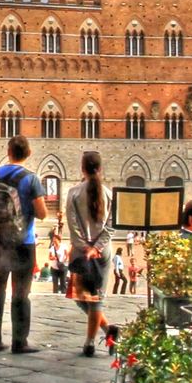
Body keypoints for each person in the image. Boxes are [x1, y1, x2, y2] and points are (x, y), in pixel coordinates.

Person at [0, 135, 47, 354]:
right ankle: (19, 342)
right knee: (21, 292)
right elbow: (42, 213)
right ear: (28, 154)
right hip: (22, 242)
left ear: (8, 151)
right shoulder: (31, 179)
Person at [65, 151, 119, 357]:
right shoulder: (108, 193)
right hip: (102, 252)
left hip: (81, 252)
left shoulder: (74, 193)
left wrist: (85, 247)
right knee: (88, 298)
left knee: (90, 299)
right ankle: (108, 330)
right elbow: (112, 225)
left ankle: (89, 343)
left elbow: (72, 223)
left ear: (82, 168)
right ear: (100, 168)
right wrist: (97, 247)